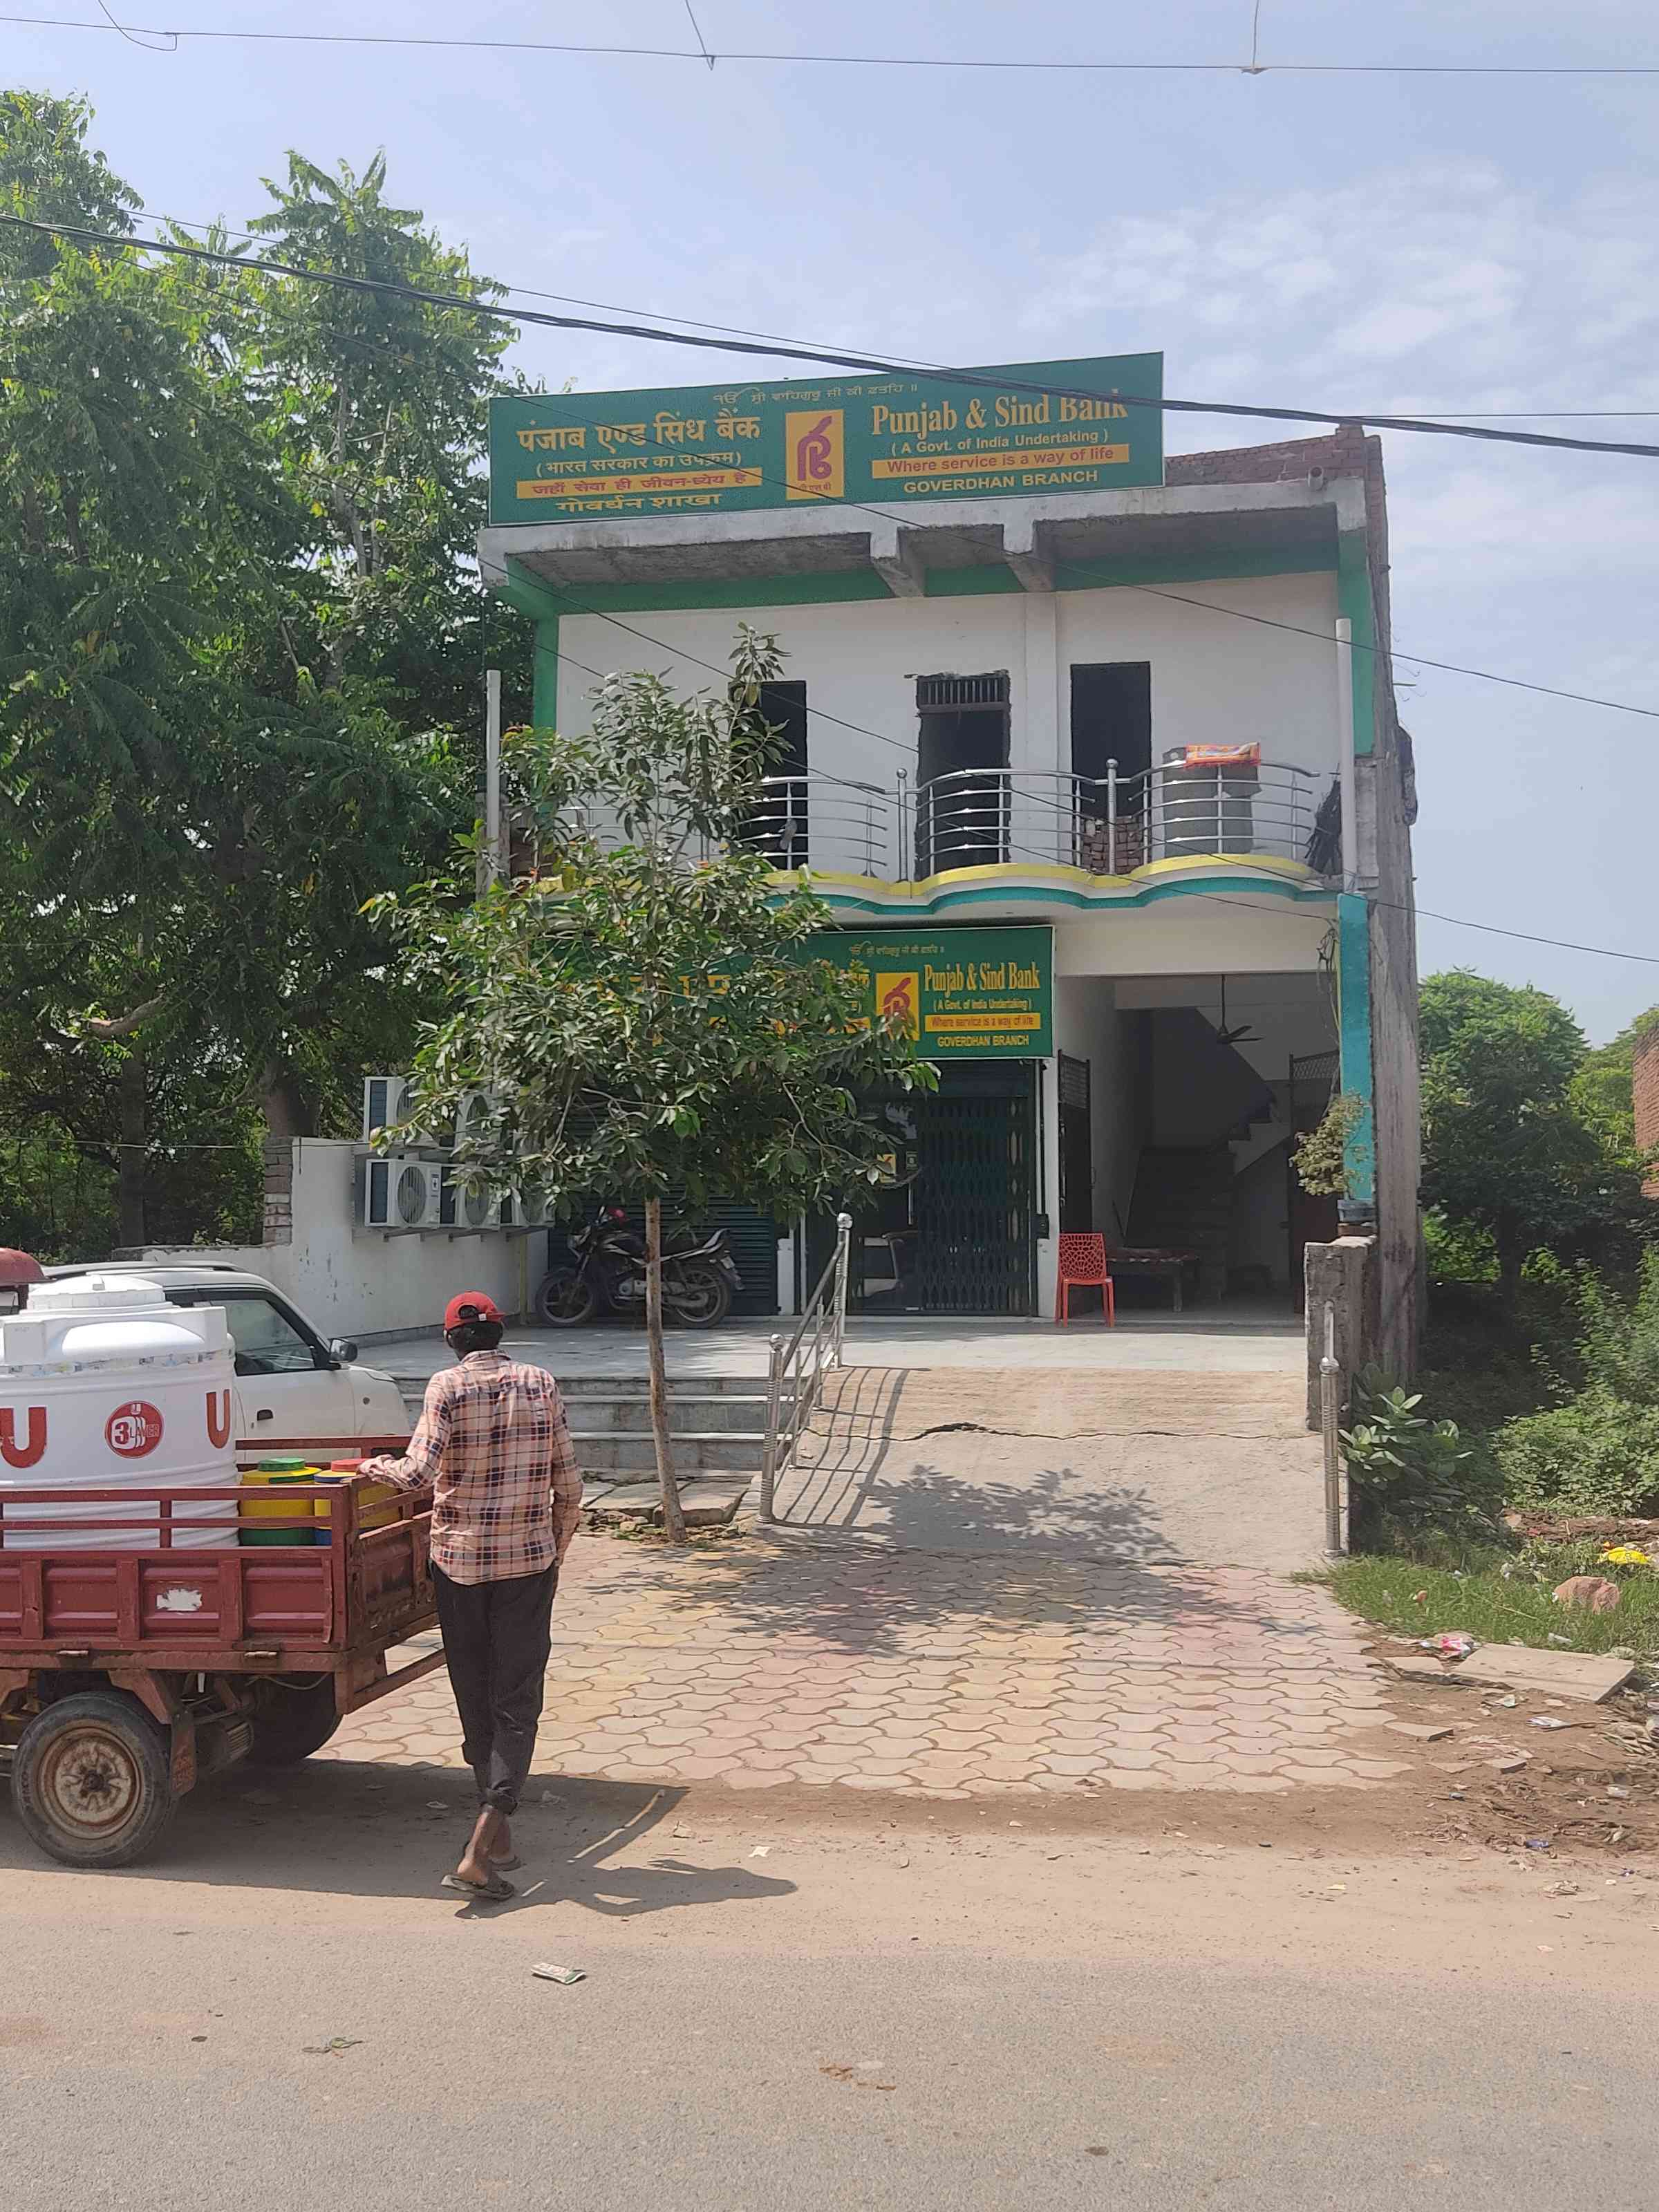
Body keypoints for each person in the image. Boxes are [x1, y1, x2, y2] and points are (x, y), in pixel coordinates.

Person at [359, 1291, 582, 1902]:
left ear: (451, 1341)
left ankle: (488, 1837)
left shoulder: (446, 1387)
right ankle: (489, 1840)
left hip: (459, 1567)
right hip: (527, 1565)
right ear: (500, 1334)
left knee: (475, 1692)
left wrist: (370, 1468)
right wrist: (554, 1552)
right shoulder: (541, 1382)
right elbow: (569, 1485)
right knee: (517, 1699)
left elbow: (416, 1474)